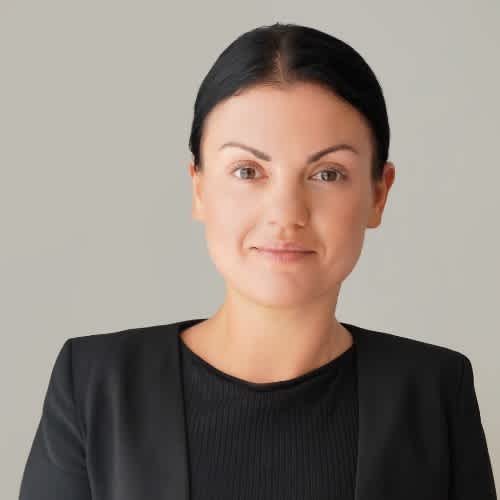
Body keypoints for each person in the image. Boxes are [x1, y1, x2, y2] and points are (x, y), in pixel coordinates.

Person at [19, 22, 497, 500]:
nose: (286, 215)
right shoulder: (96, 386)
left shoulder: (434, 392)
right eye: (248, 171)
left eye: (328, 174)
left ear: (378, 193)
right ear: (199, 188)